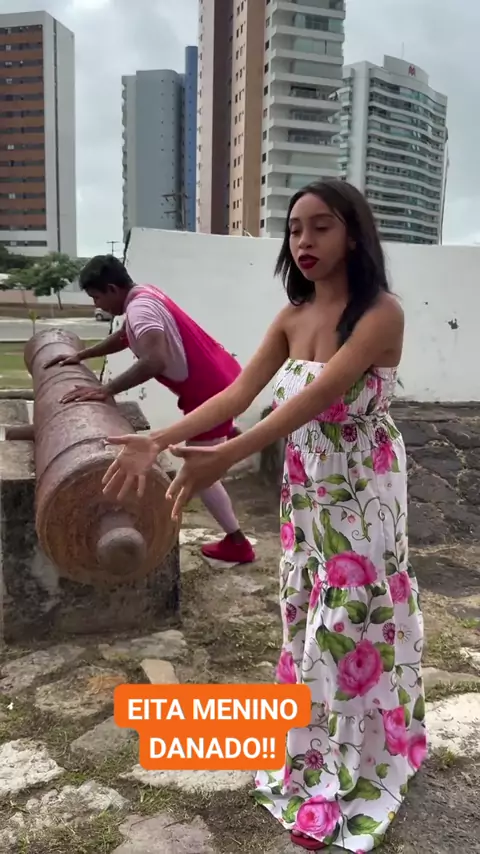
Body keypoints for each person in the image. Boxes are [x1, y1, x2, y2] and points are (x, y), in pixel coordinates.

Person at [101, 180, 426, 852]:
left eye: (321, 226)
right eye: (295, 228)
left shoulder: (381, 313)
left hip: (362, 482)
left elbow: (316, 398)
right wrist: (156, 439)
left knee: (351, 619)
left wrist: (227, 456)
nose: (303, 241)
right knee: (306, 612)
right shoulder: (291, 315)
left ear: (354, 235)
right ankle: (314, 751)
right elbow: (237, 394)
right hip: (308, 485)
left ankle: (355, 768)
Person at [44, 254, 255, 565]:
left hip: (209, 391)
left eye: (97, 297)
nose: (97, 304)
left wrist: (106, 390)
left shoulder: (140, 309)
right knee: (208, 448)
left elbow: (154, 360)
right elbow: (125, 336)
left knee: (199, 473)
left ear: (112, 289)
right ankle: (226, 434)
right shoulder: (144, 295)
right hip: (221, 375)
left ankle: (238, 543)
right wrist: (83, 355)